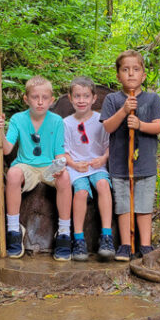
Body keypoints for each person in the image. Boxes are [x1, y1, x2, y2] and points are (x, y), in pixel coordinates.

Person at [0, 76, 72, 260]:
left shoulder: (57, 121)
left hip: (48, 167)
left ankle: (64, 231)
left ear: (52, 100)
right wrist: (0, 130)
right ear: (26, 99)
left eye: (45, 97)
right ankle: (13, 228)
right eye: (35, 97)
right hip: (26, 164)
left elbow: (59, 153)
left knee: (65, 178)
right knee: (12, 174)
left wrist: (60, 166)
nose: (40, 102)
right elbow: (6, 149)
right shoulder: (18, 119)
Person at [100, 50, 160, 262]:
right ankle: (126, 245)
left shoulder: (152, 99)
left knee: (144, 205)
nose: (131, 74)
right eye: (125, 70)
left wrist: (139, 124)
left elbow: (157, 127)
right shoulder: (112, 99)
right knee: (124, 205)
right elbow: (108, 127)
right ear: (118, 75)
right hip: (119, 165)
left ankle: (145, 244)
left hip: (144, 163)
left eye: (136, 70)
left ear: (143, 75)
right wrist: (124, 111)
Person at [63, 76, 116, 261]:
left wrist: (103, 158)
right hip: (76, 168)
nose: (81, 100)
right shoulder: (66, 123)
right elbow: (64, 152)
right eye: (77, 96)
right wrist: (74, 164)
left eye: (86, 96)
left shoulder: (101, 120)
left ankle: (107, 236)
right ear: (70, 98)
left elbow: (109, 145)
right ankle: (78, 239)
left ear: (94, 98)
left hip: (97, 165)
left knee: (102, 184)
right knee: (81, 192)